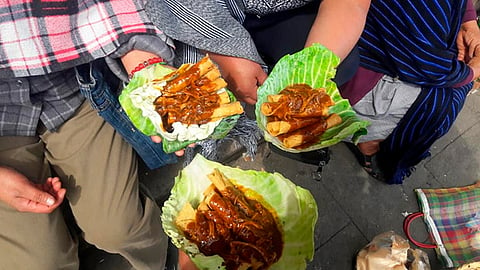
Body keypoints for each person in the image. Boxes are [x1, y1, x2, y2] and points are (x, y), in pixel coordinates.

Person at [0, 1, 191, 269]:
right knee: (39, 263)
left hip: (70, 86)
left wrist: (145, 66)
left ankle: (161, 263)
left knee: (118, 228)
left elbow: (117, 12)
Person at [339, 0, 480, 184]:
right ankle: (368, 143)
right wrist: (472, 73)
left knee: (452, 77)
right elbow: (430, 67)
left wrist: (468, 22)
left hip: (370, 33)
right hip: (355, 61)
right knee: (440, 107)